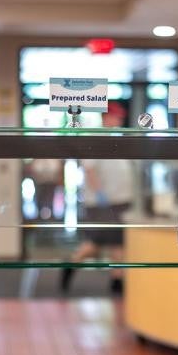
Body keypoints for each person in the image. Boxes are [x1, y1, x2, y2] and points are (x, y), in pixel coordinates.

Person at [60, 101, 135, 294]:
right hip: (103, 203)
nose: (119, 119)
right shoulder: (96, 138)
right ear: (105, 117)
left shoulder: (117, 138)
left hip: (120, 201)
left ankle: (117, 280)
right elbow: (90, 169)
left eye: (120, 116)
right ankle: (71, 264)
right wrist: (100, 193)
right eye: (115, 116)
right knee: (94, 243)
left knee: (118, 242)